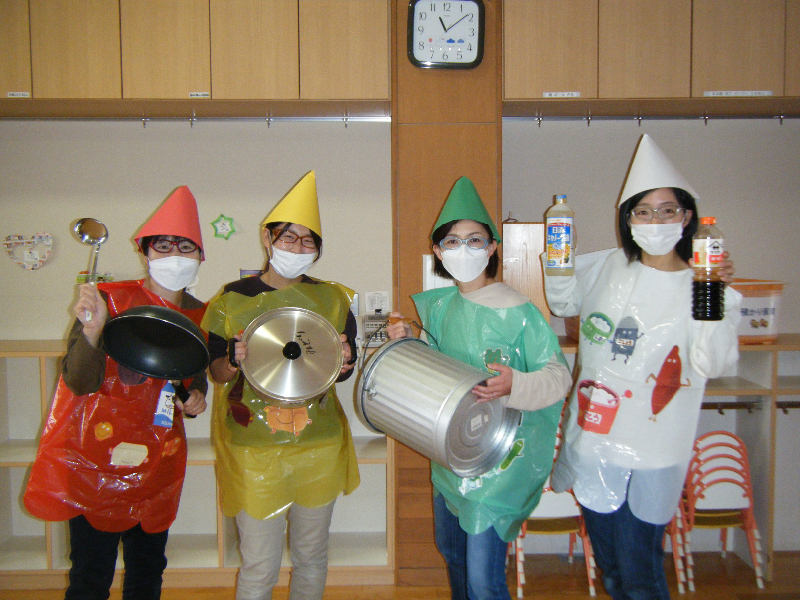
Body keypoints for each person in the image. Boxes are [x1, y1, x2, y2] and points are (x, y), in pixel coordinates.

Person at [543, 134, 742, 600]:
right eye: (643, 211)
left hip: (653, 451)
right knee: (611, 569)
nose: (655, 221)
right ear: (628, 219)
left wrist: (710, 290)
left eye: (667, 210)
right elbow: (563, 302)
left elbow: (713, 361)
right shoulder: (607, 267)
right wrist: (558, 258)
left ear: (686, 217)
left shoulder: (704, 284)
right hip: (595, 442)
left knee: (639, 572)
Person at [387, 176, 573, 600]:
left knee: (483, 580)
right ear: (438, 252)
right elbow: (437, 369)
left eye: (474, 240)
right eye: (452, 242)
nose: (464, 249)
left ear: (491, 249)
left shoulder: (518, 310)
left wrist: (515, 384)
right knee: (453, 554)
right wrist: (409, 340)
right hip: (451, 453)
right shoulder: (441, 308)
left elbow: (558, 376)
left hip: (501, 459)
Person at [24, 185, 209, 600]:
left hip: (157, 464)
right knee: (90, 576)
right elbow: (78, 381)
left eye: (185, 247)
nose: (175, 255)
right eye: (163, 246)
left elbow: (191, 377)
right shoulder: (110, 301)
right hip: (95, 460)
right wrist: (93, 331)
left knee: (148, 572)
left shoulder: (200, 315)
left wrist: (196, 395)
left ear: (200, 257)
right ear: (145, 252)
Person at [202, 171, 360, 600]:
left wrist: (345, 361)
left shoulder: (334, 299)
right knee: (259, 563)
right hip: (252, 445)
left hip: (318, 442)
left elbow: (342, 370)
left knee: (312, 555)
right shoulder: (232, 298)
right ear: (267, 239)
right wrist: (232, 360)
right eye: (288, 237)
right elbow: (216, 373)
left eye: (308, 241)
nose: (297, 248)